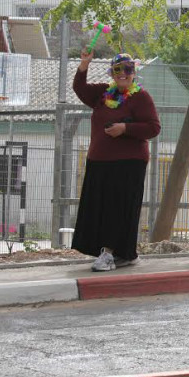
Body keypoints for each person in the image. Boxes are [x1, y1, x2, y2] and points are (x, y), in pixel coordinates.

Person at [72, 51, 161, 272]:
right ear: (112, 73)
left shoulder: (141, 97)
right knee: (99, 209)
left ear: (134, 72)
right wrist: (84, 64)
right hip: (99, 160)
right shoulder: (103, 93)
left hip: (128, 164)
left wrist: (125, 128)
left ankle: (111, 254)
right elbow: (80, 89)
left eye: (128, 69)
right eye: (117, 69)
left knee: (117, 209)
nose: (123, 74)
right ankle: (116, 254)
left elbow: (153, 128)